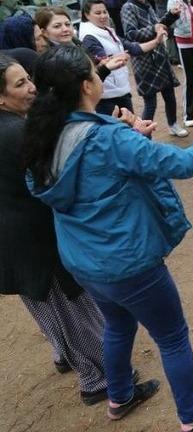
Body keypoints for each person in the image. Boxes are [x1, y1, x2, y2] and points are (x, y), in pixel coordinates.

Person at [23, 44, 193, 431]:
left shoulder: (46, 135)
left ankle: (119, 395)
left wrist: (130, 136)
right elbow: (181, 163)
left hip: (85, 261)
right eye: (95, 71)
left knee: (118, 326)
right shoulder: (107, 139)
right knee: (172, 337)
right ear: (87, 85)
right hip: (128, 262)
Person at [0, 54, 110, 406]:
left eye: (29, 79)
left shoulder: (14, 126)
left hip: (16, 245)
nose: (32, 88)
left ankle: (66, 355)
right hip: (34, 242)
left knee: (48, 308)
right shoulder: (17, 133)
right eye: (20, 84)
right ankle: (98, 379)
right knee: (71, 308)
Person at [122, 0, 189, 137]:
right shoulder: (128, 8)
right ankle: (144, 135)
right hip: (144, 61)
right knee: (150, 102)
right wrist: (154, 29)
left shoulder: (147, 4)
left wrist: (171, 15)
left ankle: (173, 125)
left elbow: (157, 25)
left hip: (160, 57)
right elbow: (131, 34)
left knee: (169, 95)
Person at [79, 0, 165, 116]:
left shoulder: (107, 31)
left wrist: (156, 41)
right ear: (87, 15)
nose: (103, 16)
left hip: (120, 91)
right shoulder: (89, 37)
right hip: (107, 97)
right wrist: (118, 58)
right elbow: (104, 62)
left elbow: (133, 48)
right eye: (98, 13)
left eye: (105, 12)